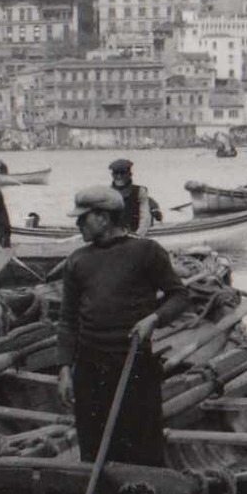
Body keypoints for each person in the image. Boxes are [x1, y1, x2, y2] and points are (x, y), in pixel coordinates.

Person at [57, 186, 190, 467]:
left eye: (84, 217)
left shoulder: (146, 252)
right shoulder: (77, 260)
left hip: (134, 368)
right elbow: (67, 320)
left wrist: (154, 319)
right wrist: (65, 369)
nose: (78, 223)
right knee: (93, 453)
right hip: (90, 371)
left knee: (142, 451)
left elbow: (179, 295)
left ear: (104, 218)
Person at [108, 158, 163, 235]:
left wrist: (138, 235)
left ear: (130, 174)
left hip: (137, 234)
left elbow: (145, 217)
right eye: (116, 173)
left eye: (122, 173)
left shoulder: (140, 191)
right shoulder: (107, 193)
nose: (119, 176)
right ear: (112, 175)